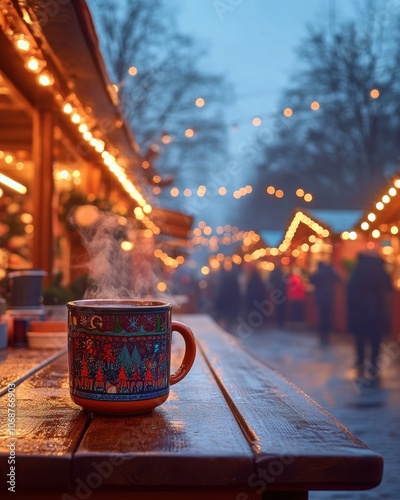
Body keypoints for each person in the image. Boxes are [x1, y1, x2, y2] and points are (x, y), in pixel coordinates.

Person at [347, 250, 392, 381]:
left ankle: (361, 362)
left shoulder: (357, 271)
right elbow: (388, 288)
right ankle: (374, 366)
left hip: (359, 312)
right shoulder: (381, 270)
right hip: (377, 311)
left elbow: (349, 291)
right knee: (376, 340)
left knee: (360, 339)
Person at [310, 261, 340, 345]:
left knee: (322, 315)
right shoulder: (331, 271)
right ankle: (327, 333)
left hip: (320, 297)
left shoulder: (318, 273)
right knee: (328, 315)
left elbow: (312, 280)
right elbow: (338, 279)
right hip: (330, 297)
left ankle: (322, 333)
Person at [214, 267, 241, 333]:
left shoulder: (223, 282)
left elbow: (220, 297)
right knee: (231, 330)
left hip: (226, 307)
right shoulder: (234, 281)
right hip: (232, 307)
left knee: (225, 331)